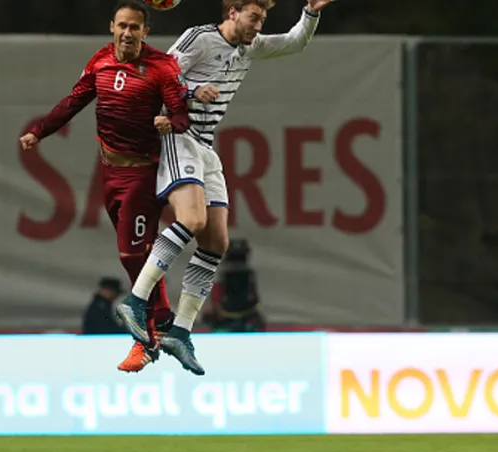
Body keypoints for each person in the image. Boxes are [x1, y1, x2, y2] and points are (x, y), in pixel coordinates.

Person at [117, 0, 331, 375]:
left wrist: (310, 12)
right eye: (253, 17)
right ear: (232, 13)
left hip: (205, 146)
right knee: (193, 219)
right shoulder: (199, 39)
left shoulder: (251, 45)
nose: (258, 25)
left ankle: (179, 332)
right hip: (177, 133)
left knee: (217, 242)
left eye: (262, 19)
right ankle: (135, 301)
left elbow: (296, 42)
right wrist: (191, 93)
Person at [20, 0, 191, 373]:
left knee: (132, 255)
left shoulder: (161, 67)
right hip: (109, 173)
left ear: (146, 32)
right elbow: (74, 100)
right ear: (112, 27)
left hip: (143, 175)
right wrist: (40, 130)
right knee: (136, 253)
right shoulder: (100, 60)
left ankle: (145, 340)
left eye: (135, 28)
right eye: (122, 26)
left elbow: (181, 113)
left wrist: (170, 122)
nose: (128, 33)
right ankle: (162, 318)